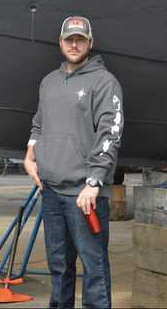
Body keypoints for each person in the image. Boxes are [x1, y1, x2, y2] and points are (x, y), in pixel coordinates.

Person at [24, 16, 123, 308]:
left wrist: (94, 183)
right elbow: (39, 124)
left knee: (94, 269)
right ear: (61, 43)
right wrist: (30, 153)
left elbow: (111, 134)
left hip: (84, 195)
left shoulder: (105, 82)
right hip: (51, 192)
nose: (75, 44)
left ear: (90, 43)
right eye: (70, 39)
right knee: (59, 268)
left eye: (80, 39)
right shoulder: (49, 82)